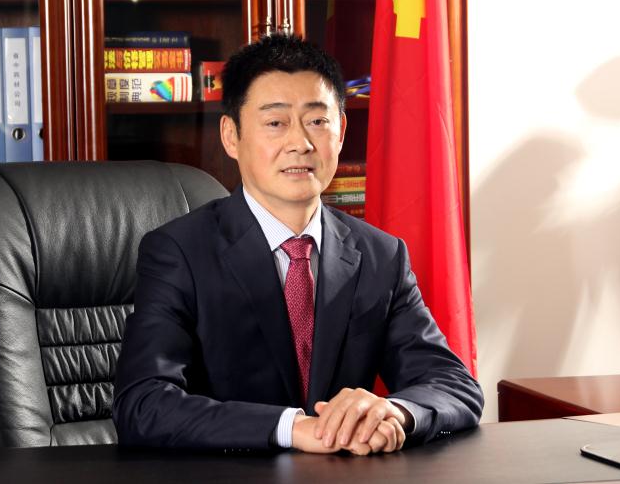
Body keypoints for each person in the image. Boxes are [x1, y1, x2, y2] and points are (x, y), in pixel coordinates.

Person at [113, 33, 483, 455]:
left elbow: (455, 386)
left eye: (317, 121)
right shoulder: (179, 252)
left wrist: (393, 411)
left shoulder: (380, 255)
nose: (300, 143)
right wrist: (294, 428)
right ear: (231, 136)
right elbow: (143, 404)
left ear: (340, 133)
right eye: (275, 123)